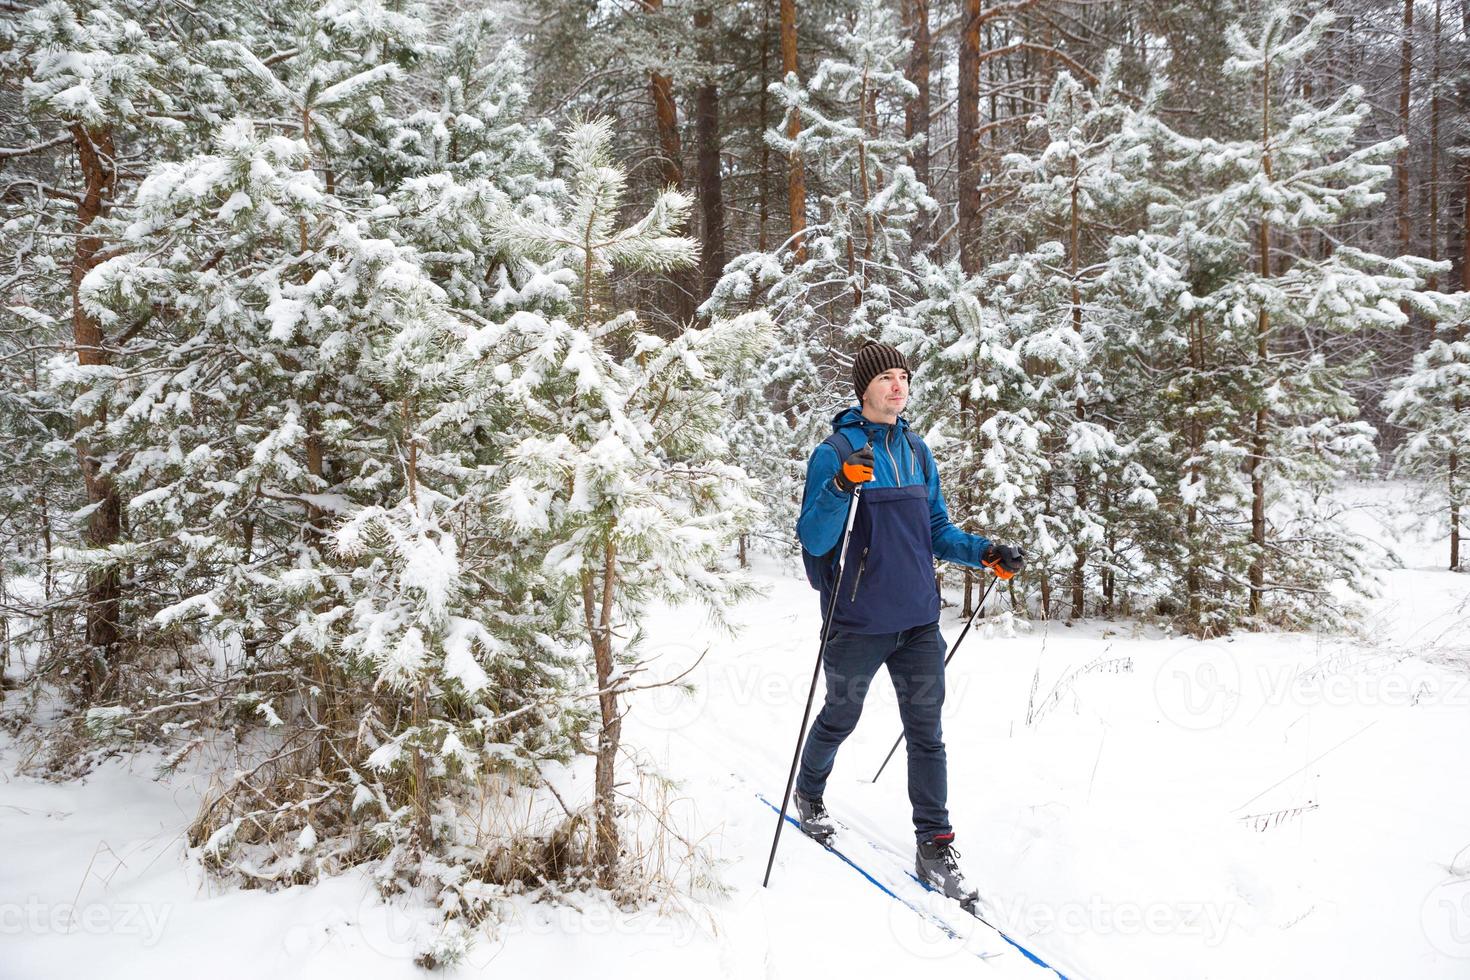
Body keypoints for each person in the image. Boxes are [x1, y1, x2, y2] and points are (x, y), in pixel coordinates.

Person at [794, 339, 1025, 903]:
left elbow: (936, 530)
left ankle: (934, 846)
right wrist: (842, 485)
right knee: (840, 718)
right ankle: (810, 793)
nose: (899, 385)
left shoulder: (917, 451)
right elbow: (814, 538)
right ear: (864, 388)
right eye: (887, 377)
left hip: (919, 619)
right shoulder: (837, 450)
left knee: (927, 734)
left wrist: (984, 551)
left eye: (904, 376)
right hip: (857, 620)